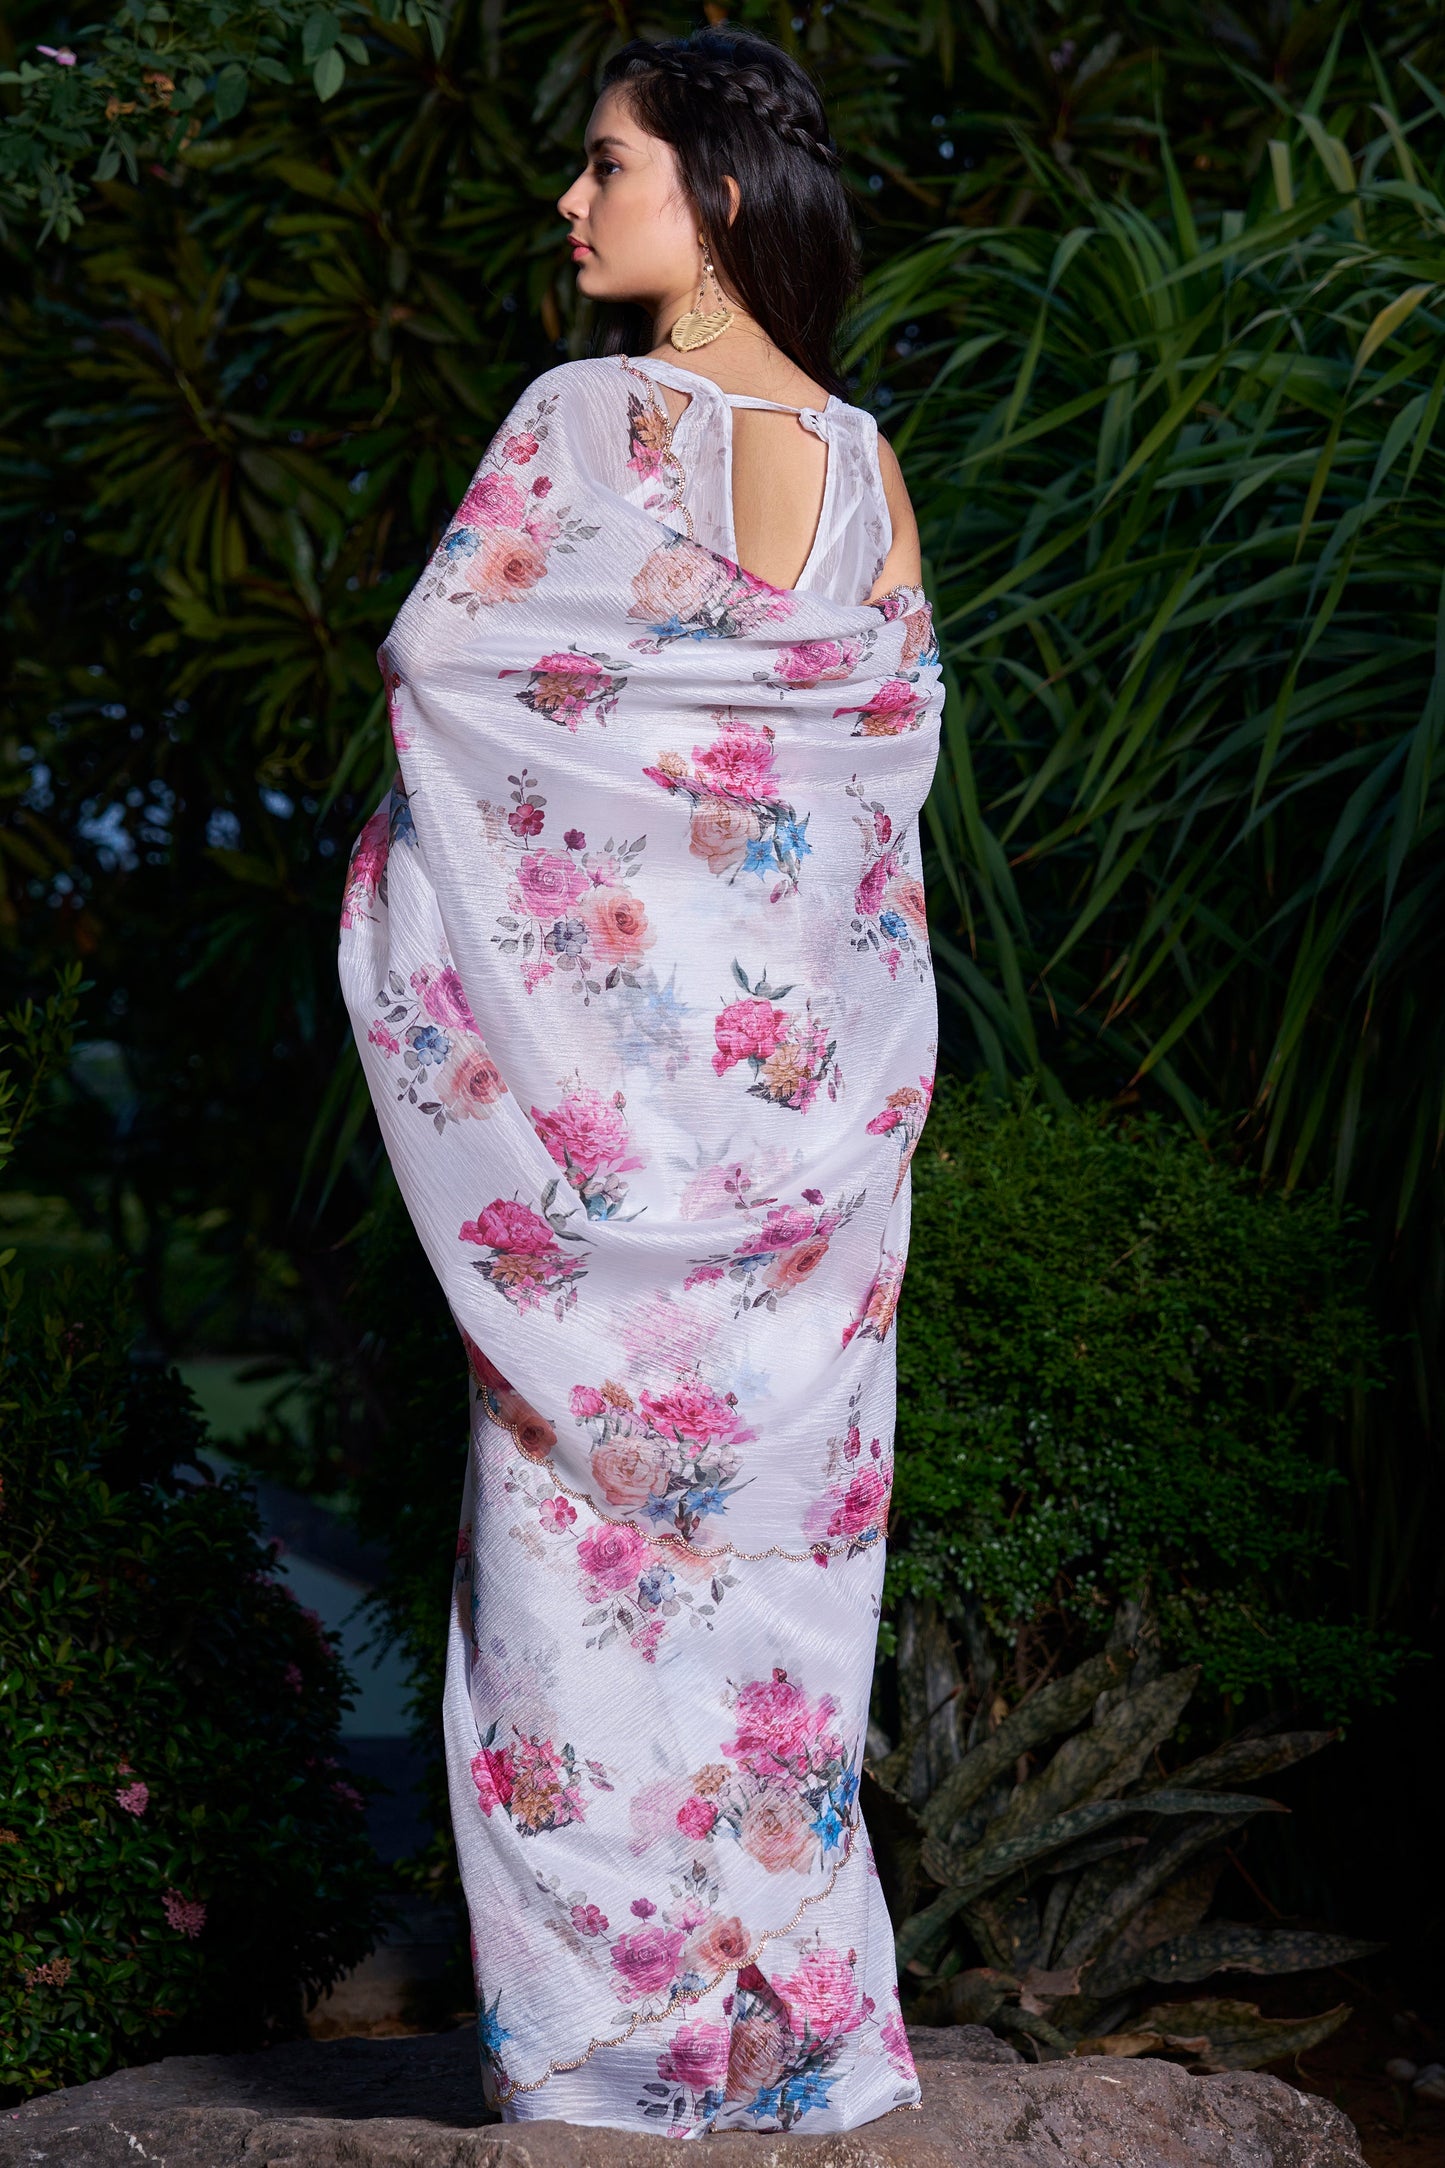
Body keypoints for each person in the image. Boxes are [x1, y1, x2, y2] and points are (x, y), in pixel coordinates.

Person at [337, 25, 942, 2137]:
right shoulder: (867, 464)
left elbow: (451, 677)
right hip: (802, 1138)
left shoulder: (588, 419)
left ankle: (604, 2060)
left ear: (723, 194)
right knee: (781, 1590)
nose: (575, 202)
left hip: (595, 1155)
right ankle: (785, 2043)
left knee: (574, 1584)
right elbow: (870, 795)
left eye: (610, 164)